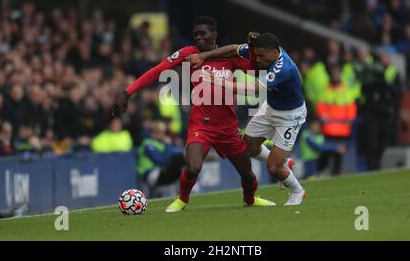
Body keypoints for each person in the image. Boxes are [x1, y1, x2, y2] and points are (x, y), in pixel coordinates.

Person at [112, 16, 275, 212]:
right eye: (195, 34)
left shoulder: (229, 56)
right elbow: (157, 70)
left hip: (228, 127)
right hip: (201, 125)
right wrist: (127, 92)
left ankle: (250, 200)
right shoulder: (189, 54)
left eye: (202, 34)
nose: (198, 37)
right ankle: (182, 200)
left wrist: (251, 46)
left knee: (247, 174)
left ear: (214, 35)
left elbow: (253, 70)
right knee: (192, 168)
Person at [187, 32, 307, 205]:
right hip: (270, 108)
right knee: (248, 147)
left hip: (290, 116)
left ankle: (297, 191)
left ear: (274, 52)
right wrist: (203, 55)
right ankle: (285, 163)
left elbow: (254, 89)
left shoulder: (283, 68)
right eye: (256, 55)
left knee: (273, 167)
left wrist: (219, 81)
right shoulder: (266, 52)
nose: (256, 60)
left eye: (261, 56)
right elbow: (233, 49)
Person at [137, 121, 185, 197]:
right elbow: (161, 161)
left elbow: (178, 153)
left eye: (162, 132)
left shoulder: (161, 144)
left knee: (180, 159)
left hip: (161, 172)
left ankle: (186, 186)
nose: (161, 135)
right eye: (158, 132)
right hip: (149, 174)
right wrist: (168, 144)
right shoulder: (148, 144)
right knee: (176, 161)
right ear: (152, 132)